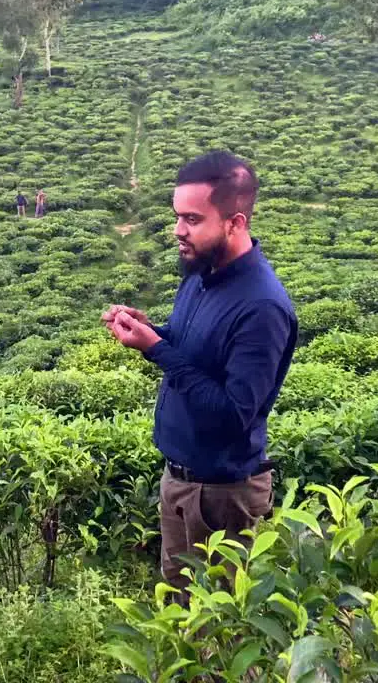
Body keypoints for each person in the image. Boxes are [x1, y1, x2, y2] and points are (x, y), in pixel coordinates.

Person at [102, 150, 297, 597]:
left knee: (219, 630)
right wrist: (152, 331)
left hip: (221, 496)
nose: (178, 230)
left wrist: (155, 350)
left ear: (235, 223)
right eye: (177, 216)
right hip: (182, 482)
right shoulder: (201, 273)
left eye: (192, 219)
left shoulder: (261, 307)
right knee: (179, 606)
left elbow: (233, 413)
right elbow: (193, 344)